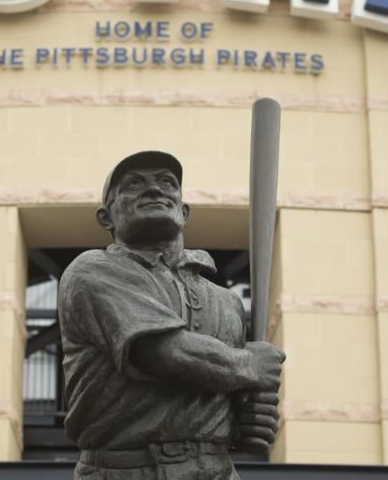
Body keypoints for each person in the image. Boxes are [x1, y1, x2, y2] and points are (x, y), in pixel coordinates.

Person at [58, 151, 286, 480]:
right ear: (106, 218)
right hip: (124, 471)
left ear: (184, 210)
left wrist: (252, 413)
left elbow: (227, 396)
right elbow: (164, 353)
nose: (155, 190)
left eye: (167, 182)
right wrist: (250, 366)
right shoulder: (92, 272)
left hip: (216, 470)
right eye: (134, 184)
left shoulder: (226, 302)